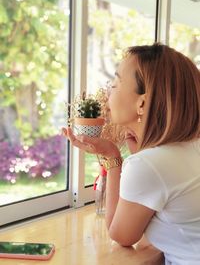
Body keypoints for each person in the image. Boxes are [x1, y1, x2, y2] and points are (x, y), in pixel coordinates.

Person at [62, 43, 200, 265]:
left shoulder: (149, 164)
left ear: (142, 102)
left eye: (116, 84)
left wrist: (114, 159)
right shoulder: (189, 148)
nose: (108, 90)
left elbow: (121, 235)